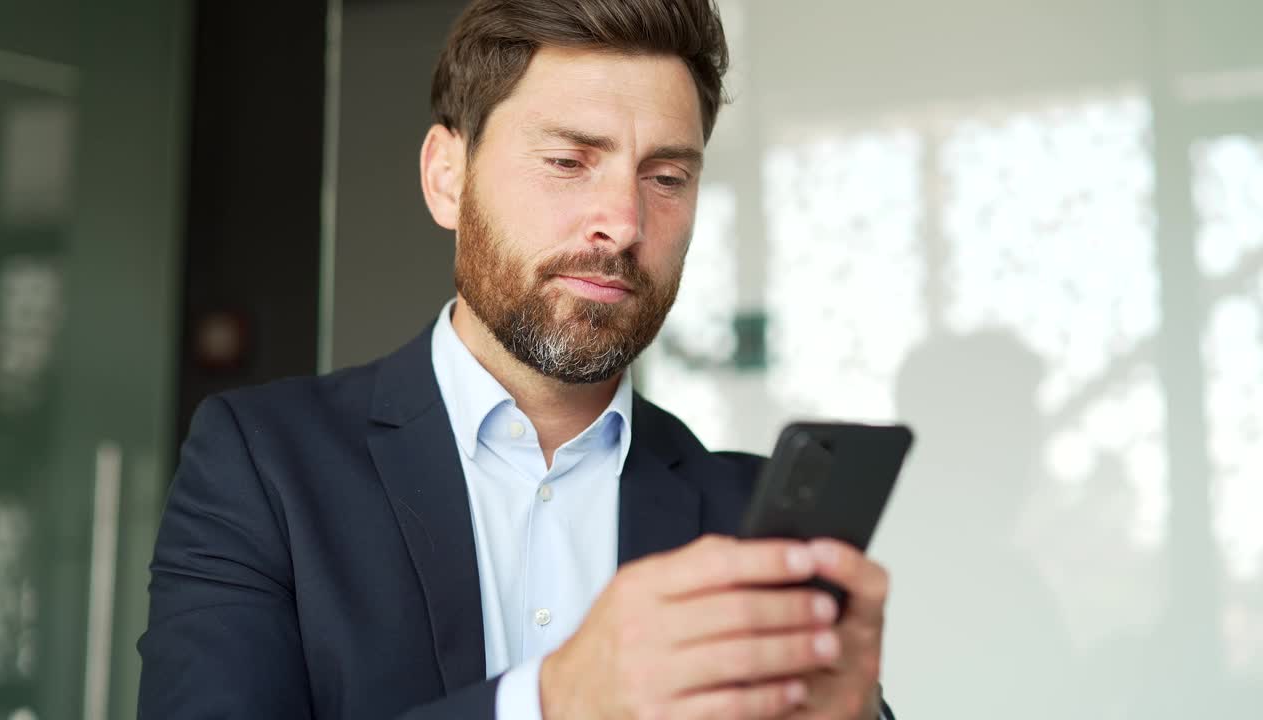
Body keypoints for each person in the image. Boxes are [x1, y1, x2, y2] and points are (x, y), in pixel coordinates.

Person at [138, 1, 895, 718]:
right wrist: (553, 701)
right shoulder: (263, 464)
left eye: (667, 178)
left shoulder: (744, 517)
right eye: (569, 160)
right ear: (447, 178)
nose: (624, 224)